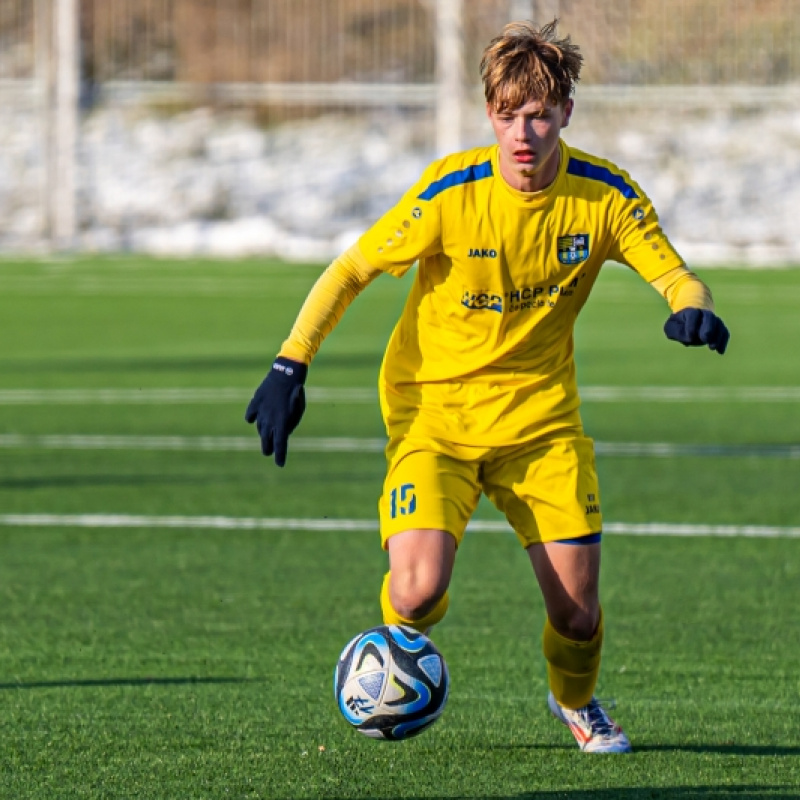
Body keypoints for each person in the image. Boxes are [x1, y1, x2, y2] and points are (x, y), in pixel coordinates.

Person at [245, 19, 729, 754]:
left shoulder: (603, 197)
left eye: (538, 114)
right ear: (490, 117)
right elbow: (352, 269)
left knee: (576, 612)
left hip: (541, 427)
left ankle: (576, 700)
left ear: (566, 110)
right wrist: (291, 362)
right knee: (416, 591)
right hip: (434, 417)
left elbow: (671, 270)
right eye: (507, 115)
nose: (523, 132)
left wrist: (691, 308)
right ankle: (392, 653)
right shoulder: (451, 193)